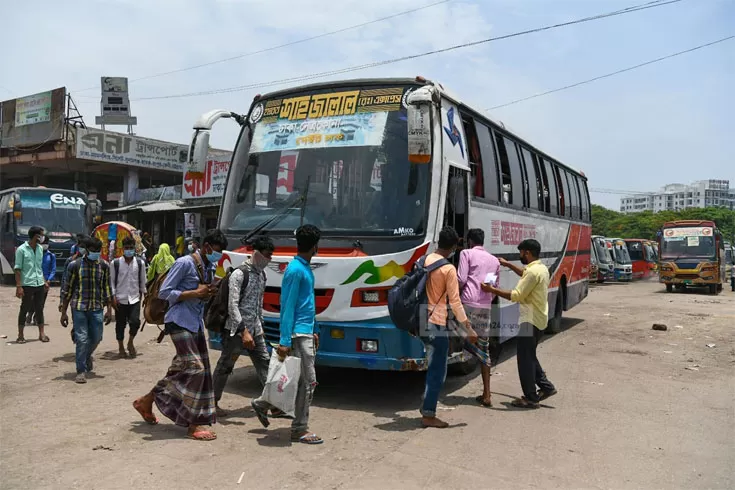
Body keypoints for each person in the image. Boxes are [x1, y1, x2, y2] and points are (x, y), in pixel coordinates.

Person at [132, 229, 227, 441]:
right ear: (206, 247)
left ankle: (146, 401)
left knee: (182, 369)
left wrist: (210, 291)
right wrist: (195, 293)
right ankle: (192, 425)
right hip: (178, 321)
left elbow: (202, 293)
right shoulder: (184, 263)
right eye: (216, 251)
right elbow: (164, 292)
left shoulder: (209, 266)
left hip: (194, 322)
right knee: (196, 370)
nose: (218, 255)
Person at [251, 224, 324, 445]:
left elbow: (307, 304)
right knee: (308, 383)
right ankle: (299, 429)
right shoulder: (295, 270)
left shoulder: (303, 268)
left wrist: (314, 330)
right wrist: (284, 340)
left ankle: (263, 404)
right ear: (315, 246)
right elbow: (288, 306)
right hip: (297, 335)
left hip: (305, 332)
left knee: (297, 380)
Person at [212, 236, 284, 418]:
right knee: (225, 366)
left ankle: (273, 403)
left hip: (255, 330)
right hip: (236, 330)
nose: (269, 260)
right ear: (256, 253)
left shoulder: (262, 275)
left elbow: (258, 305)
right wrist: (243, 331)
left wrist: (259, 329)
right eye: (267, 255)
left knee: (265, 364)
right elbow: (232, 306)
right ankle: (211, 402)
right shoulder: (239, 274)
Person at [482, 239, 557, 409]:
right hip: (539, 318)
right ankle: (546, 387)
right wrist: (508, 264)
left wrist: (491, 290)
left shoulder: (532, 273)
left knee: (525, 360)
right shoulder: (540, 268)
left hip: (530, 320)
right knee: (529, 355)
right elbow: (525, 273)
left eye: (521, 253)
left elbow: (516, 295)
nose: (520, 255)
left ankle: (531, 398)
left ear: (528, 253)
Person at [420, 226, 478, 428]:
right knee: (438, 370)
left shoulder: (424, 260)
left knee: (433, 366)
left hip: (420, 320)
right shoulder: (448, 269)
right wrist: (469, 329)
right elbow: (455, 302)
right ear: (454, 246)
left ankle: (426, 404)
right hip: (436, 322)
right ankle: (428, 414)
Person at [60, 236, 113, 384]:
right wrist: (63, 312)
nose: (96, 253)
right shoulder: (74, 265)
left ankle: (86, 356)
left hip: (96, 307)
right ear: (87, 250)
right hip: (79, 307)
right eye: (93, 250)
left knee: (97, 337)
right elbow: (67, 290)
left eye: (98, 250)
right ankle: (80, 370)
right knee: (82, 339)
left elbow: (107, 289)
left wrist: (109, 310)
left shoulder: (104, 266)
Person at [457, 228, 500, 408]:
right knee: (484, 347)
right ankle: (487, 394)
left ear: (469, 241)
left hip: (467, 303)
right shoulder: (494, 260)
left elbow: (460, 279)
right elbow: (492, 286)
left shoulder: (466, 253)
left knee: (454, 336)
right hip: (485, 306)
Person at [110, 237, 147, 358]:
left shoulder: (140, 263)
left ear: (134, 248)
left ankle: (130, 342)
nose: (129, 250)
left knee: (135, 322)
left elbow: (143, 281)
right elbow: (112, 282)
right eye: (127, 248)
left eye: (131, 248)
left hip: (135, 298)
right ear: (122, 249)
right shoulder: (115, 263)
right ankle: (120, 346)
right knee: (120, 325)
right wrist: (113, 297)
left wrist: (145, 295)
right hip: (120, 299)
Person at [15, 226, 49, 344]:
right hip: (27, 283)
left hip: (38, 282)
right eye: (41, 234)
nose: (43, 237)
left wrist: (44, 280)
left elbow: (38, 267)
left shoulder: (40, 249)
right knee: (24, 308)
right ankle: (20, 335)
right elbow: (18, 269)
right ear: (36, 236)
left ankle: (42, 333)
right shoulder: (21, 250)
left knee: (39, 308)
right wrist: (19, 287)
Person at [27, 240, 57, 327]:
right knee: (33, 299)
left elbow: (53, 269)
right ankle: (30, 313)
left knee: (41, 301)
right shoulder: (34, 254)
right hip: (35, 280)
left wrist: (49, 280)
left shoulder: (51, 256)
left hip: (46, 282)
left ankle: (36, 318)